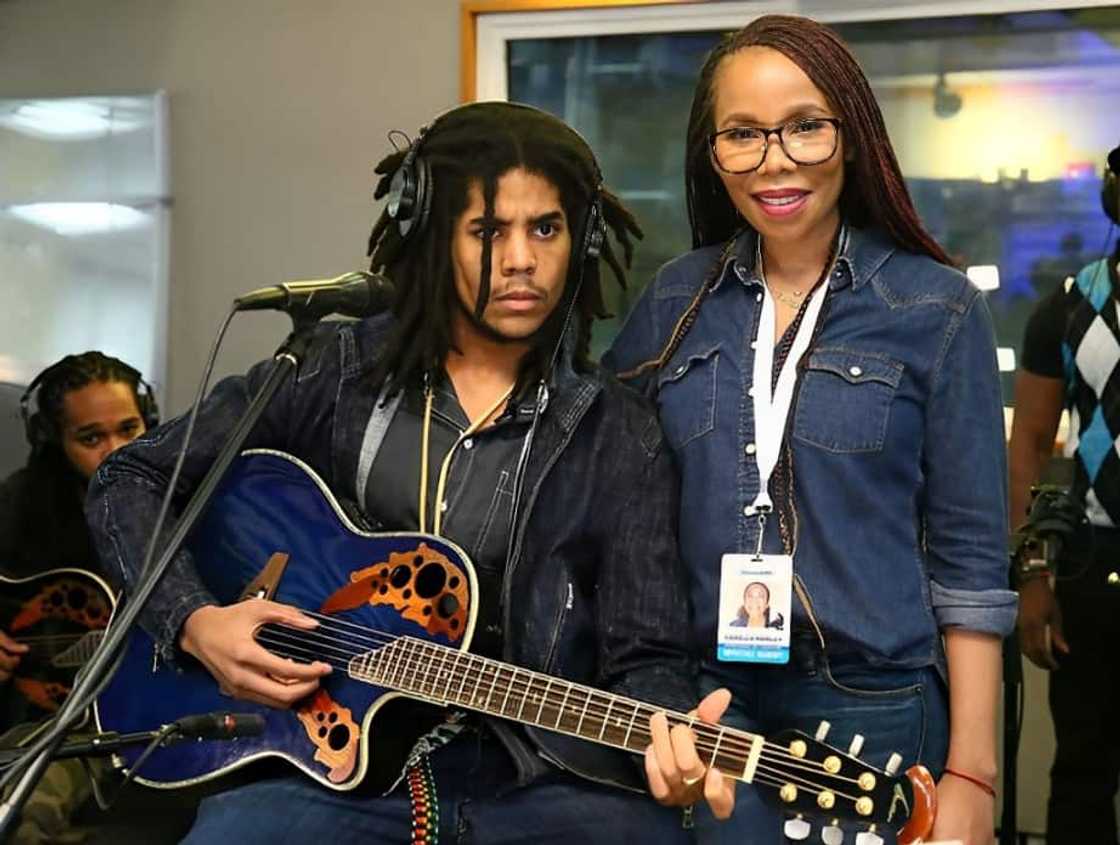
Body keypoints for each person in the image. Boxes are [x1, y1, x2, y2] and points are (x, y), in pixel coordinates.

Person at [86, 102, 730, 844]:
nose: (520, 258)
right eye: (488, 230)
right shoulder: (331, 369)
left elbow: (643, 652)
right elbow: (128, 480)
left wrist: (672, 736)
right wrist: (196, 621)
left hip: (529, 772)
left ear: (580, 241)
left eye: (545, 228)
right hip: (322, 769)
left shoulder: (620, 432)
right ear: (433, 236)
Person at [605, 15, 1015, 845]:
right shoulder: (675, 304)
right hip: (709, 697)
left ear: (853, 135)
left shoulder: (937, 309)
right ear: (711, 153)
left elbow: (971, 563)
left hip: (874, 702)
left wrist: (977, 772)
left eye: (804, 127)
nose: (775, 160)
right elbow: (605, 493)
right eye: (743, 135)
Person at [1009, 143, 1120, 845]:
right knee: (1082, 769)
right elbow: (1028, 445)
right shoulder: (1070, 305)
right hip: (1093, 565)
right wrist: (1032, 574)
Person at [0, 352, 157, 844]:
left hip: (144, 717)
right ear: (53, 441)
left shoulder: (184, 496)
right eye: (91, 438)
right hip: (46, 721)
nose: (115, 451)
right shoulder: (18, 506)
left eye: (128, 429)